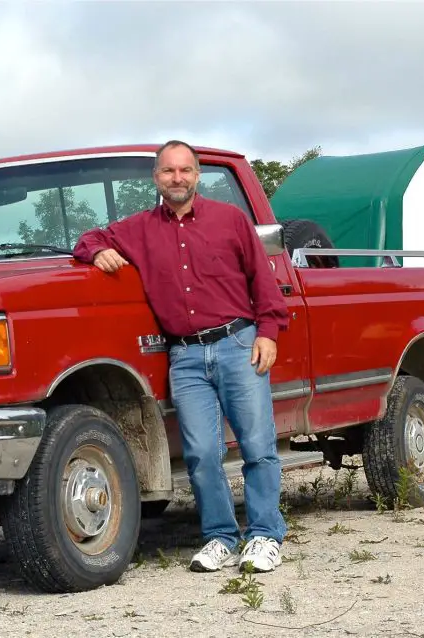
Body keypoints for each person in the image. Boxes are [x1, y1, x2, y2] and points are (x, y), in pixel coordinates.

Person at [72, 140, 290, 573]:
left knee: (257, 445)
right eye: (169, 171)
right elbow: (87, 238)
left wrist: (268, 331)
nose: (177, 178)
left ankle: (265, 535)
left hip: (238, 344)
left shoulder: (231, 220)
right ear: (157, 178)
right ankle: (220, 538)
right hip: (185, 357)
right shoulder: (139, 228)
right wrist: (98, 251)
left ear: (197, 175)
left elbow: (261, 280)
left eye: (185, 171)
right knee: (201, 454)